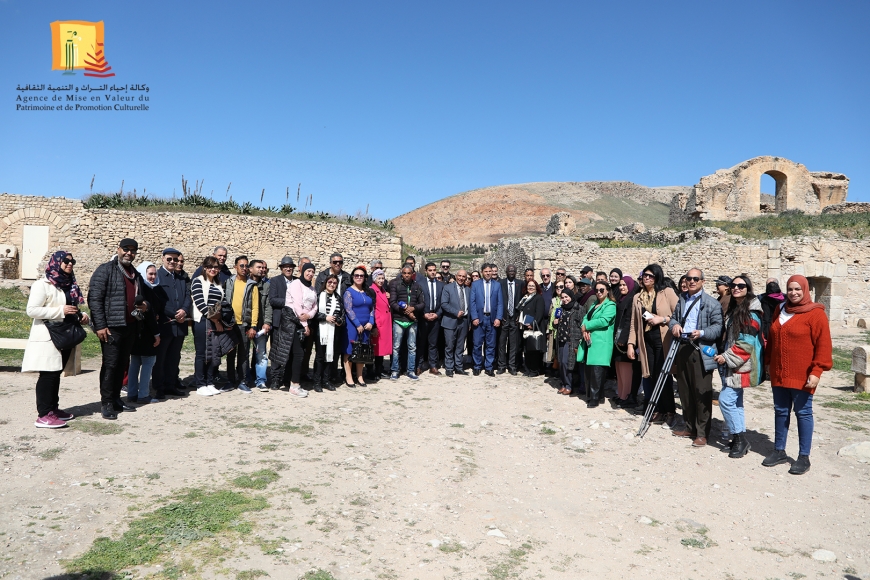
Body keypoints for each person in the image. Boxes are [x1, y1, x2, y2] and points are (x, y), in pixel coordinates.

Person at [763, 275, 832, 475]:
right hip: (779, 372)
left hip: (803, 374)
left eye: (797, 289)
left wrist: (817, 371)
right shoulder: (781, 309)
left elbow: (823, 345)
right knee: (780, 411)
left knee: (803, 413)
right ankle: (779, 450)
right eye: (790, 289)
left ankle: (804, 457)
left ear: (805, 290)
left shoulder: (815, 314)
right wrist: (767, 363)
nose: (793, 293)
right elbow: (773, 338)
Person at [24, 251, 90, 428]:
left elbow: (72, 308)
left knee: (56, 373)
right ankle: (43, 414)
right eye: (66, 261)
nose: (70, 264)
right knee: (47, 374)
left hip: (65, 335)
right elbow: (32, 310)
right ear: (56, 262)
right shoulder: (42, 285)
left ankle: (53, 409)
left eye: (72, 261)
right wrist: (60, 311)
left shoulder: (69, 284)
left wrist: (82, 315)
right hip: (48, 335)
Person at [88, 238, 150, 420]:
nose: (129, 253)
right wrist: (100, 325)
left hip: (130, 326)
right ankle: (106, 402)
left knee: (122, 364)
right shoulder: (106, 270)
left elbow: (142, 296)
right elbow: (95, 299)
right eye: (126, 249)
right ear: (118, 249)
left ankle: (116, 399)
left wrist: (144, 305)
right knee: (111, 365)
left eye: (133, 250)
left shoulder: (135, 274)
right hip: (111, 328)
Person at [668, 268, 724, 447]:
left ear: (702, 281)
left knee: (701, 392)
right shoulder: (682, 299)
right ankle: (689, 426)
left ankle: (702, 432)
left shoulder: (712, 303)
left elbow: (718, 328)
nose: (691, 281)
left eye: (695, 279)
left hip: (700, 349)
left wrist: (701, 332)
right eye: (689, 279)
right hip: (683, 347)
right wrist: (675, 326)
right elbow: (673, 319)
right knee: (685, 391)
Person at [712, 275, 764, 459]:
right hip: (733, 363)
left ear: (748, 288)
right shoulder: (737, 308)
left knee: (726, 400)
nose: (736, 288)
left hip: (740, 364)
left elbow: (746, 343)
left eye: (741, 286)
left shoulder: (752, 312)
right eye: (733, 285)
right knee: (736, 402)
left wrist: (726, 358)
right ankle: (739, 440)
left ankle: (740, 438)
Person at [627, 264, 679, 424]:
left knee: (663, 374)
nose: (646, 278)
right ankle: (658, 409)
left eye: (650, 275)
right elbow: (634, 323)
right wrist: (631, 343)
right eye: (644, 275)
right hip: (647, 339)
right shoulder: (638, 297)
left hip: (663, 338)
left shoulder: (667, 293)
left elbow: (679, 315)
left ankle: (669, 410)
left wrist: (661, 319)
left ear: (657, 277)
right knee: (650, 376)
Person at [152, 248, 190, 399]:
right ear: (163, 259)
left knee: (174, 357)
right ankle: (159, 387)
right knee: (161, 358)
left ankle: (170, 385)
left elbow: (188, 295)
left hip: (180, 324)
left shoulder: (181, 277)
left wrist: (185, 310)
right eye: (169, 259)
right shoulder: (158, 276)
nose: (172, 262)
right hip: (165, 323)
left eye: (175, 259)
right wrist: (174, 313)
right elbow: (158, 300)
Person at [191, 256, 231, 397]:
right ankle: (200, 383)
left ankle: (209, 382)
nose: (213, 269)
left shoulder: (219, 284)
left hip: (215, 321)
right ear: (205, 268)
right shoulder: (198, 281)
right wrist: (216, 321)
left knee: (213, 353)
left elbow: (222, 303)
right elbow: (201, 304)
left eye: (216, 267)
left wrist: (220, 319)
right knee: (202, 353)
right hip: (203, 321)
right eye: (210, 267)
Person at [224, 256, 260, 393]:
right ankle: (230, 380)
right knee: (230, 353)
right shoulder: (229, 282)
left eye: (246, 266)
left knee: (244, 354)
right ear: (235, 267)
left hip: (245, 324)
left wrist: (253, 326)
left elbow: (255, 307)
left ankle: (242, 381)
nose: (244, 268)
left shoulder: (252, 285)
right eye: (241, 266)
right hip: (230, 324)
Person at [127, 262, 161, 404]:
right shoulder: (145, 291)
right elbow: (149, 316)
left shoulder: (138, 286)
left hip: (136, 333)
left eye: (154, 274)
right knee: (147, 363)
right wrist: (156, 334)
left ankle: (132, 393)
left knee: (134, 363)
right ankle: (143, 395)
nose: (153, 277)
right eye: (150, 274)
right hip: (145, 334)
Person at [578, 281, 616, 407]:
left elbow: (604, 321)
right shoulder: (595, 304)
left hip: (601, 342)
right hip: (591, 341)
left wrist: (586, 326)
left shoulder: (610, 305)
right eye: (597, 290)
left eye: (602, 290)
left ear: (607, 291)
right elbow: (586, 317)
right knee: (590, 370)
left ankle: (594, 398)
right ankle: (595, 396)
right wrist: (584, 326)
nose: (599, 292)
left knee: (597, 371)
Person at [267, 256, 299, 390]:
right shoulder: (275, 281)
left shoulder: (298, 281)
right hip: (279, 321)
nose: (288, 268)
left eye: (290, 267)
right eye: (285, 267)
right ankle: (275, 379)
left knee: (291, 352)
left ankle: (287, 377)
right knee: (276, 352)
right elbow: (273, 300)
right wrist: (289, 303)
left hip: (294, 322)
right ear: (281, 268)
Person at [388, 265, 424, 380]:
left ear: (413, 274)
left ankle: (411, 370)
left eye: (409, 273)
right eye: (404, 273)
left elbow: (422, 303)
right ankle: (395, 370)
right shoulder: (395, 284)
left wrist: (413, 309)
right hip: (399, 320)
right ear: (401, 273)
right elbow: (393, 302)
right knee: (396, 347)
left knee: (412, 347)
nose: (407, 275)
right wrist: (406, 311)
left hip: (412, 321)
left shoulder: (417, 286)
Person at [287, 262, 318, 390]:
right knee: (297, 354)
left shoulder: (312, 288)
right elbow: (297, 305)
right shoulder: (296, 284)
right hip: (294, 323)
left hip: (306, 323)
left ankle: (295, 381)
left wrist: (309, 316)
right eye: (308, 271)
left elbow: (315, 306)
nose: (310, 274)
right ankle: (294, 384)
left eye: (312, 272)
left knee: (301, 354)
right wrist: (304, 324)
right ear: (302, 271)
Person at [343, 266, 375, 387]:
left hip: (366, 326)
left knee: (362, 350)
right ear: (352, 277)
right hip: (352, 325)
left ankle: (360, 376)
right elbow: (348, 309)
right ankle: (349, 376)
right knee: (350, 350)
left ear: (365, 278)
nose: (359, 277)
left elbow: (372, 308)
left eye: (361, 275)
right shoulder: (348, 292)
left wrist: (371, 322)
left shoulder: (368, 292)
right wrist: (357, 324)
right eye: (356, 275)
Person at [470, 263, 503, 376]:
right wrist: (474, 317)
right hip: (479, 318)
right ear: (482, 272)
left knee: (491, 344)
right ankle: (477, 366)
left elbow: (500, 303)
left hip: (492, 318)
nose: (488, 273)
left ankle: (489, 367)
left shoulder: (497, 285)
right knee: (477, 344)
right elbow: (472, 302)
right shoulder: (475, 284)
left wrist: (498, 318)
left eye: (490, 271)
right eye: (486, 271)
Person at [313, 274, 344, 391]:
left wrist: (339, 321)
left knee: (330, 356)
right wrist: (325, 317)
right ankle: (317, 382)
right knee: (320, 357)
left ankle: (326, 380)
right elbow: (313, 312)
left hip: (334, 331)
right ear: (325, 283)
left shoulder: (338, 298)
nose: (332, 284)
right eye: (330, 282)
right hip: (321, 331)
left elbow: (342, 313)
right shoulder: (319, 296)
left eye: (334, 283)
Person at [613, 275, 641, 408]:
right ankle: (621, 394)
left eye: (624, 285)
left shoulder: (631, 299)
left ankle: (627, 396)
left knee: (626, 369)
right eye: (620, 285)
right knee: (619, 367)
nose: (622, 287)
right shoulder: (621, 299)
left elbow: (629, 321)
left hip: (624, 339)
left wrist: (623, 339)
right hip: (617, 337)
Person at [553, 289, 585, 395]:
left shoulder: (578, 308)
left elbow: (582, 324)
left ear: (571, 296)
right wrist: (555, 323)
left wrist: (580, 338)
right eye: (562, 297)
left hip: (571, 340)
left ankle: (569, 385)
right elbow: (556, 324)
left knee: (568, 363)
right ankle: (563, 384)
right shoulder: (560, 309)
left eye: (566, 297)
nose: (564, 299)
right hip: (561, 339)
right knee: (561, 363)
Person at [248, 259, 272, 391]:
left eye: (264, 268)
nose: (262, 270)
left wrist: (267, 322)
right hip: (246, 324)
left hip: (261, 325)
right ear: (250, 269)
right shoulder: (244, 284)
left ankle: (261, 380)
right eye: (259, 267)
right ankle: (244, 379)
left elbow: (268, 306)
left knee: (261, 353)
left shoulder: (267, 286)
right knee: (244, 353)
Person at [441, 269, 470, 377]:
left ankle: (458, 367)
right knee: (449, 345)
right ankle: (449, 367)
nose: (461, 278)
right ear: (456, 276)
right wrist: (455, 312)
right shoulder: (447, 288)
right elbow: (444, 304)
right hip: (450, 320)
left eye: (464, 277)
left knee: (460, 346)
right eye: (460, 276)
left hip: (464, 321)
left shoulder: (468, 290)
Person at [418, 262, 445, 375]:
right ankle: (418, 365)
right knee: (421, 342)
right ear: (425, 271)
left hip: (435, 317)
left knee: (433, 343)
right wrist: (424, 314)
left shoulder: (441, 285)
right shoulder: (420, 284)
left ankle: (433, 366)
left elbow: (443, 303)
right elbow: (418, 301)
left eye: (434, 270)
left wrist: (437, 314)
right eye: (430, 270)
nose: (433, 272)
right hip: (423, 317)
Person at [516, 279, 547, 377]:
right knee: (527, 349)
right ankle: (528, 369)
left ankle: (535, 370)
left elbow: (539, 313)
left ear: (536, 288)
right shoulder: (525, 298)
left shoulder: (538, 298)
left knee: (534, 349)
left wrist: (533, 324)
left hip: (534, 327)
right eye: (529, 286)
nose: (530, 287)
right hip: (525, 327)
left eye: (533, 286)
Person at [498, 265, 523, 375]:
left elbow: (523, 300)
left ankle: (512, 366)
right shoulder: (500, 283)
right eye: (509, 270)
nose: (512, 272)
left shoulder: (521, 284)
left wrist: (519, 315)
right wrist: (500, 315)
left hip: (515, 318)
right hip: (504, 317)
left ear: (516, 272)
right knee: (502, 343)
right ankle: (501, 365)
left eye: (513, 270)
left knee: (513, 344)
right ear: (506, 272)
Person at [369, 269, 392, 379]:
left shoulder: (383, 290)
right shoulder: (372, 290)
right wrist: (374, 325)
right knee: (375, 348)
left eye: (383, 278)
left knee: (381, 349)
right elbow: (371, 308)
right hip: (378, 323)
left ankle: (379, 369)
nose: (381, 280)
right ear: (374, 279)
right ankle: (373, 371)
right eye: (379, 278)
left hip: (385, 323)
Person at [758, 278, 784, 345]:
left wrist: (764, 333)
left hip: (771, 327)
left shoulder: (765, 300)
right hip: (783, 326)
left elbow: (766, 318)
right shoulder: (785, 298)